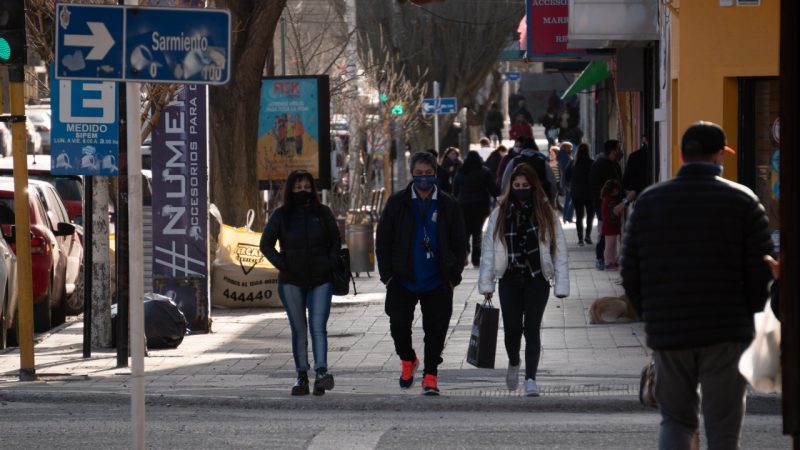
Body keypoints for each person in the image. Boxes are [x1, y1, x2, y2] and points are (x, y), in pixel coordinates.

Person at [621, 121, 774, 449]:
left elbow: (629, 270)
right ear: (720, 155)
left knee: (676, 419)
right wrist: (749, 317)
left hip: (670, 332)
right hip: (725, 332)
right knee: (723, 425)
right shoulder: (743, 202)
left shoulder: (649, 202)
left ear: (680, 154)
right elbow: (762, 271)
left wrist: (652, 313)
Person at [375, 151, 468, 396]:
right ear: (412, 175)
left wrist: (453, 277)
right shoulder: (397, 203)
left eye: (428, 174)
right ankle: (408, 359)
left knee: (435, 331)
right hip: (402, 279)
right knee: (398, 327)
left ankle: (430, 376)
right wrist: (387, 276)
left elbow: (460, 242)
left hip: (438, 279)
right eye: (418, 174)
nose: (424, 179)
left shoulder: (449, 205)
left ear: (435, 174)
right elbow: (383, 240)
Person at [478, 163, 569, 396]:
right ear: (511, 186)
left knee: (532, 328)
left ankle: (530, 379)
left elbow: (559, 250)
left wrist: (561, 283)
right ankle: (514, 361)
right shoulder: (499, 213)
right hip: (509, 279)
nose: (520, 189)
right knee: (511, 330)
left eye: (525, 186)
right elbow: (488, 250)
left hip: (537, 279)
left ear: (533, 186)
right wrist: (487, 284)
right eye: (516, 185)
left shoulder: (546, 212)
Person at [260, 170, 340, 396]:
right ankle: (301, 375)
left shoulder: (323, 213)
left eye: (306, 187)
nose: (302, 191)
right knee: (299, 329)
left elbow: (336, 241)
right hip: (291, 280)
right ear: (290, 190)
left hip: (320, 279)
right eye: (298, 187)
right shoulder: (280, 215)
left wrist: (329, 262)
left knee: (318, 327)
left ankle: (322, 372)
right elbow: (265, 244)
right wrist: (283, 264)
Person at [453, 150, 501, 268]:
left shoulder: (460, 172)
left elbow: (455, 190)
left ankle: (464, 253)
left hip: (463, 205)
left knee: (465, 231)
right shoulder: (484, 172)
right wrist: (500, 198)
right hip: (480, 205)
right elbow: (492, 188)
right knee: (477, 232)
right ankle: (476, 259)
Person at [588, 139, 622, 270]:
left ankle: (610, 259)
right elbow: (593, 185)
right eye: (618, 148)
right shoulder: (600, 165)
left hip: (615, 204)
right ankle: (601, 258)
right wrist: (604, 197)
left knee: (611, 233)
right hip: (603, 204)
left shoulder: (615, 165)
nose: (619, 151)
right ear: (612, 150)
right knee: (605, 231)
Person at [500, 137, 558, 204]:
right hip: (540, 200)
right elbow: (552, 182)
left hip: (516, 199)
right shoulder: (543, 162)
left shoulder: (514, 161)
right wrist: (552, 199)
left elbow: (505, 182)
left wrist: (504, 198)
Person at [564, 143, 595, 246]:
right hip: (589, 193)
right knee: (590, 215)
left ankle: (580, 239)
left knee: (579, 216)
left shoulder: (573, 163)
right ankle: (588, 235)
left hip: (576, 193)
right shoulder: (592, 163)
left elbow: (567, 176)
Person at [599, 179, 623, 271]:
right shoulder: (610, 200)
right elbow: (615, 212)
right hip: (610, 226)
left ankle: (611, 261)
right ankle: (608, 262)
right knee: (609, 245)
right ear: (613, 190)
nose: (618, 191)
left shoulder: (606, 198)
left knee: (612, 245)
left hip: (609, 225)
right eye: (617, 189)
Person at [555, 142, 574, 223]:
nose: (571, 149)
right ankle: (567, 216)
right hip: (568, 181)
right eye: (570, 148)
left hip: (565, 180)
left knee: (568, 199)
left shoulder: (562, 156)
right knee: (572, 199)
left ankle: (566, 217)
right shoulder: (565, 157)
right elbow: (566, 169)